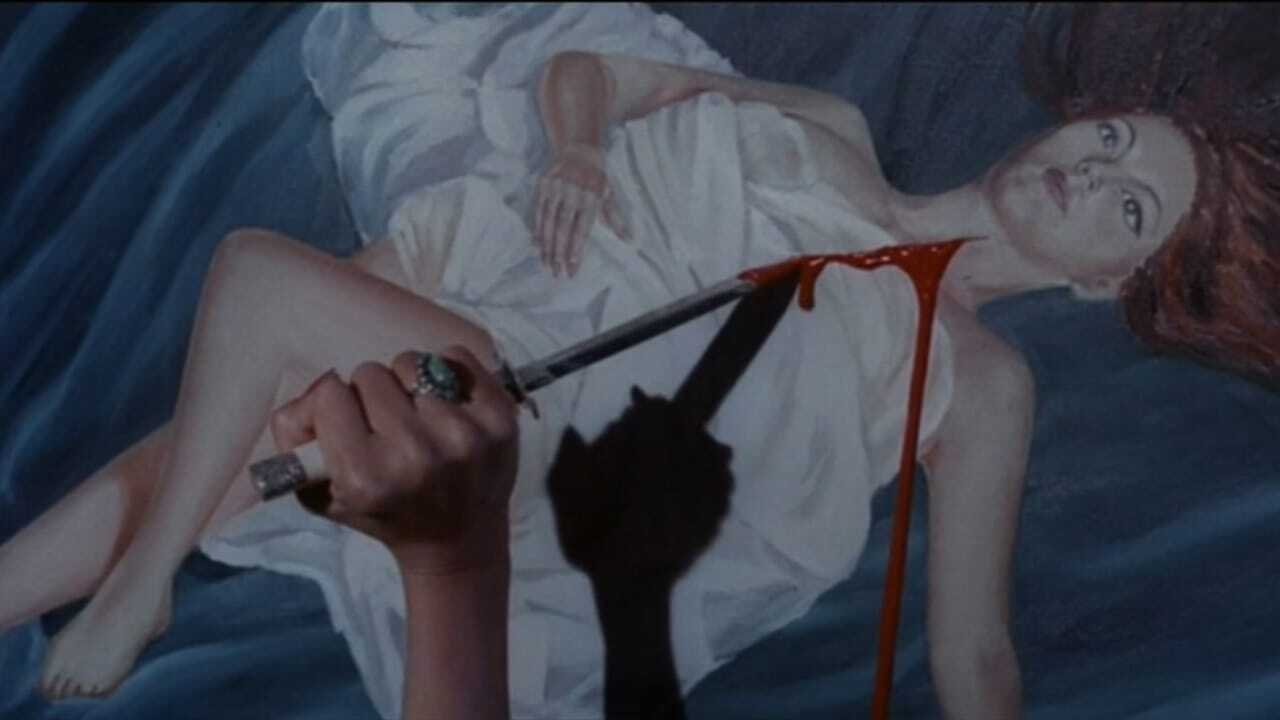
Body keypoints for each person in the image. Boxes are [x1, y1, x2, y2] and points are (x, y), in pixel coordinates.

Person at [1, 3, 1276, 719]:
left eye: (1124, 206)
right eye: (1109, 140)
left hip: (570, 470)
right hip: (496, 311)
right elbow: (589, 72)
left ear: (1108, 282)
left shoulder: (981, 381)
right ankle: (95, 583)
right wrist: (576, 151)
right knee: (289, 357)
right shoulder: (828, 130)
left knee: (283, 314)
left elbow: (975, 653)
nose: (1088, 173)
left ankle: (144, 576)